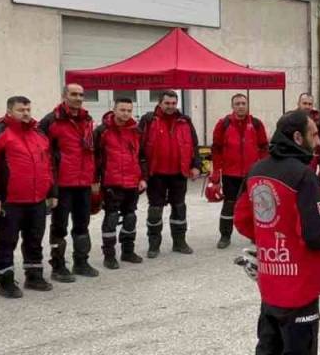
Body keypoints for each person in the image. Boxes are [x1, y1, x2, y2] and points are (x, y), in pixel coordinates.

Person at [233, 110, 320, 355]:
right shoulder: (303, 176)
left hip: (271, 280)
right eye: (313, 134)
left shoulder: (257, 170)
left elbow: (243, 219)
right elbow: (317, 235)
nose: (318, 141)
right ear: (297, 138)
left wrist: (270, 237)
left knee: (268, 349)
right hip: (300, 284)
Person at [0, 96, 56, 298]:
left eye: (28, 109)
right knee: (6, 241)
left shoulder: (38, 133)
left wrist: (52, 192)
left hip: (37, 200)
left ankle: (34, 276)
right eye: (21, 110)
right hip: (10, 200)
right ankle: (5, 280)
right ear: (9, 111)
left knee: (34, 240)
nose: (26, 113)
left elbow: (48, 164)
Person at [40, 84, 99, 280]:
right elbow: (44, 156)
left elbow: (91, 152)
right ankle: (58, 266)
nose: (78, 98)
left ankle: (81, 262)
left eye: (81, 95)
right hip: (62, 184)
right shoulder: (51, 121)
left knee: (82, 225)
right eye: (74, 94)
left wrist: (94, 180)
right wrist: (51, 188)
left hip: (83, 183)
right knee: (59, 227)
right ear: (64, 96)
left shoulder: (87, 119)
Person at [139, 90, 202, 257]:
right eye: (167, 103)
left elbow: (194, 145)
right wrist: (142, 174)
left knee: (179, 208)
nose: (171, 106)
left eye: (174, 103)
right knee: (155, 210)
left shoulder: (185, 121)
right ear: (160, 103)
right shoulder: (148, 120)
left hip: (179, 173)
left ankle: (179, 242)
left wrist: (196, 166)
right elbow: (139, 149)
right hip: (156, 174)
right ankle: (154, 245)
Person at [94, 97, 146, 269]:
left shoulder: (136, 131)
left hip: (132, 182)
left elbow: (142, 157)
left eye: (129, 110)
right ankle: (109, 255)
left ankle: (128, 251)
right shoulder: (102, 131)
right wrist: (95, 181)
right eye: (122, 110)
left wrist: (142, 178)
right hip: (111, 183)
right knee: (111, 218)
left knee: (130, 217)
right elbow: (95, 158)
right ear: (114, 110)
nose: (126, 113)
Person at [211, 93, 269, 249]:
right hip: (231, 173)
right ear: (232, 106)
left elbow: (264, 147)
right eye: (237, 103)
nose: (241, 106)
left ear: (247, 105)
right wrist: (216, 171)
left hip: (252, 173)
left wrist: (263, 167)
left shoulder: (256, 124)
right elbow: (216, 149)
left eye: (243, 103)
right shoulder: (223, 124)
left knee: (256, 206)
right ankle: (225, 235)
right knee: (229, 205)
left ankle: (255, 235)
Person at [296, 92, 320, 175]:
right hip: (295, 158)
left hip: (312, 158)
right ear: (298, 103)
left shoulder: (318, 121)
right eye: (304, 103)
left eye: (310, 104)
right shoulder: (291, 119)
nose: (307, 106)